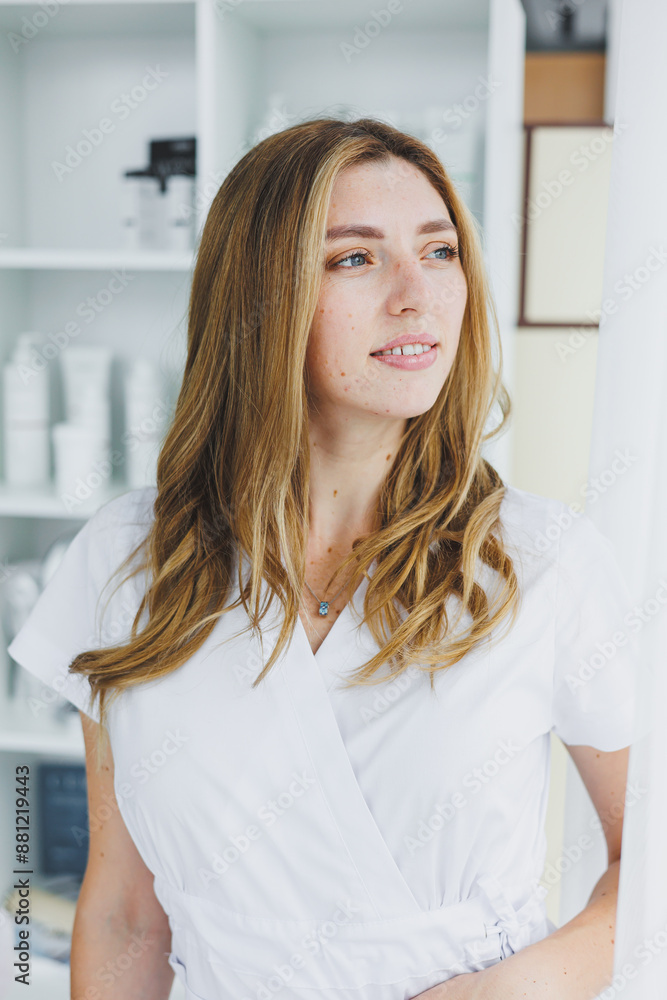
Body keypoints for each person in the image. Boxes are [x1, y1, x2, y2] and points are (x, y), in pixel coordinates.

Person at [9, 116, 638, 1000]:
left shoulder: (538, 561)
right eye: (355, 258)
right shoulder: (125, 560)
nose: (417, 295)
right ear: (257, 299)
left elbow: (650, 868)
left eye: (441, 251)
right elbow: (125, 915)